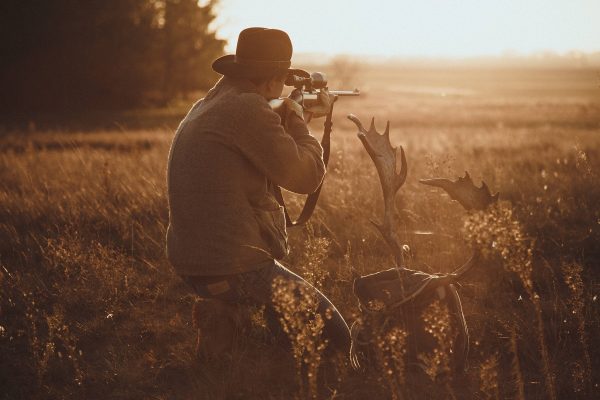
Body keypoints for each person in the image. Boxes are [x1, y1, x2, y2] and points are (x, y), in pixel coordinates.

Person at [166, 28, 352, 360]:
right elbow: (306, 177)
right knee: (338, 338)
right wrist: (299, 123)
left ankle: (228, 320)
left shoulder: (211, 104)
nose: (281, 90)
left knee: (286, 325)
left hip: (192, 262)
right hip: (233, 267)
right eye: (281, 82)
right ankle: (234, 314)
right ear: (269, 82)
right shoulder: (248, 109)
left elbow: (259, 140)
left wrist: (290, 114)